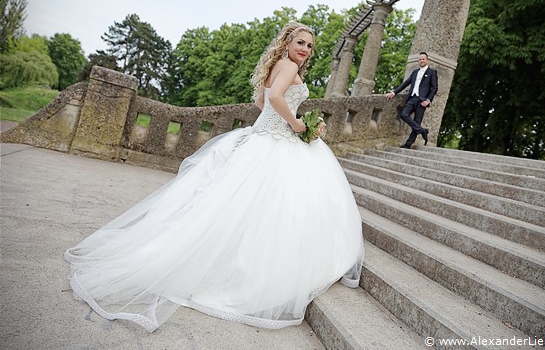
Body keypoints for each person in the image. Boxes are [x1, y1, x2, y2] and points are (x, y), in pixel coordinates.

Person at [64, 22, 364, 332]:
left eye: (310, 46)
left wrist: (285, 122)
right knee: (272, 205)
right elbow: (274, 97)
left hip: (262, 137)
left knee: (242, 205)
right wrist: (298, 125)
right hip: (275, 141)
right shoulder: (288, 66)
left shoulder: (276, 63)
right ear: (287, 43)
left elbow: (261, 102)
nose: (305, 49)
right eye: (300, 42)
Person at [385, 52, 438, 148]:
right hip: (412, 98)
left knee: (417, 121)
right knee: (404, 114)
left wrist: (428, 100)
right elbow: (405, 83)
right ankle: (422, 131)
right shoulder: (415, 72)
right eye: (420, 59)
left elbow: (434, 88)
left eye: (423, 59)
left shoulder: (432, 72)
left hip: (422, 101)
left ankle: (408, 144)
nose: (421, 61)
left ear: (427, 60)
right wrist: (394, 92)